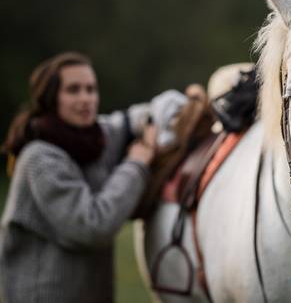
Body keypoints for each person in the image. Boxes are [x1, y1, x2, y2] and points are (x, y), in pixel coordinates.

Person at [0, 52, 185, 302]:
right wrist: (136, 164)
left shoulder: (95, 137)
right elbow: (91, 226)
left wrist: (160, 115)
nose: (85, 98)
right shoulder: (40, 159)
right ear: (50, 98)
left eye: (91, 89)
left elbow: (129, 120)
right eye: (73, 90)